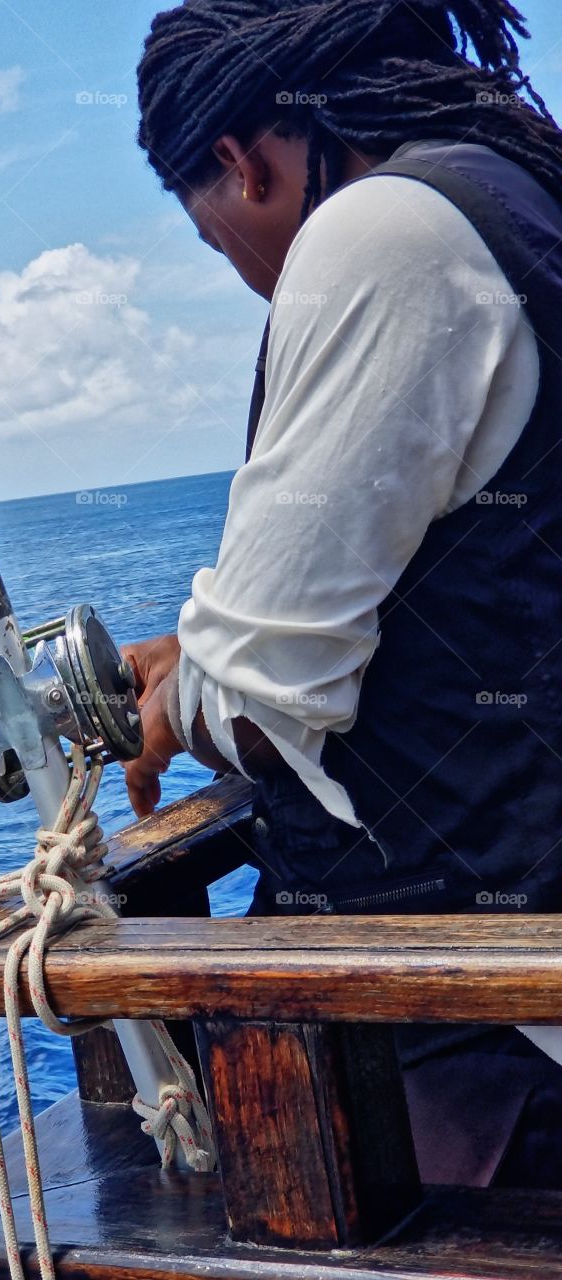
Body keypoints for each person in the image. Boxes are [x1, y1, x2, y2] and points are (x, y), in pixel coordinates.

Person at [121, 0, 562, 1188]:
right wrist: (193, 659)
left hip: (486, 1045)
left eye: (215, 240)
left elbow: (265, 702)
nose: (248, 279)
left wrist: (170, 709)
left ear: (241, 164)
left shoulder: (383, 232)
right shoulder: (521, 196)